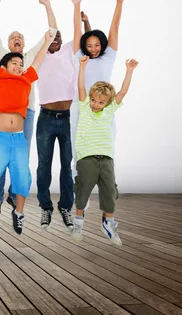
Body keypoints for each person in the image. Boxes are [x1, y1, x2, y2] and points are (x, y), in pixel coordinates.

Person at [0, 18, 55, 235]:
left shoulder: (27, 79)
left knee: (22, 177)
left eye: (20, 63)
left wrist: (46, 41)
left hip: (18, 138)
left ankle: (18, 214)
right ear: (4, 66)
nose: (18, 66)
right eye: (14, 63)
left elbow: (38, 59)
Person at [0, 0, 51, 217]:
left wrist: (47, 6)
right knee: (1, 157)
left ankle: (14, 195)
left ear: (23, 44)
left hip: (27, 112)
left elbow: (49, 36)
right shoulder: (2, 57)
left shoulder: (29, 57)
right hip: (5, 115)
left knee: (20, 157)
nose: (16, 39)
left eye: (20, 37)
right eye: (12, 37)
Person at [70, 0, 133, 202]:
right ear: (83, 47)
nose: (93, 49)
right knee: (78, 147)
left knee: (107, 145)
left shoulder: (109, 58)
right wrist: (76, 5)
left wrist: (119, 2)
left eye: (97, 45)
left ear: (102, 45)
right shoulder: (80, 56)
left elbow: (114, 27)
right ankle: (80, 188)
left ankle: (108, 184)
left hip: (104, 107)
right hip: (81, 105)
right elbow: (76, 31)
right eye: (89, 45)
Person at [72, 57, 138, 245]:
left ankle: (108, 223)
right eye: (94, 100)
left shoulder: (109, 110)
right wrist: (82, 67)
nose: (95, 104)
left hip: (106, 158)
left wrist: (129, 71)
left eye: (100, 102)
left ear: (107, 104)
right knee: (83, 189)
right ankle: (78, 222)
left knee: (110, 191)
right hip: (86, 158)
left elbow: (123, 91)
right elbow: (81, 87)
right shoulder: (85, 107)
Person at [34, 0, 76, 231]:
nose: (56, 39)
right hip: (46, 119)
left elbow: (70, 32)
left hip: (68, 118)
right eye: (52, 36)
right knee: (43, 165)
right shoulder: (40, 58)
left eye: (59, 36)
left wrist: (51, 6)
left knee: (66, 165)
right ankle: (45, 207)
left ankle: (66, 207)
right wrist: (47, 8)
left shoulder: (69, 51)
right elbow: (51, 29)